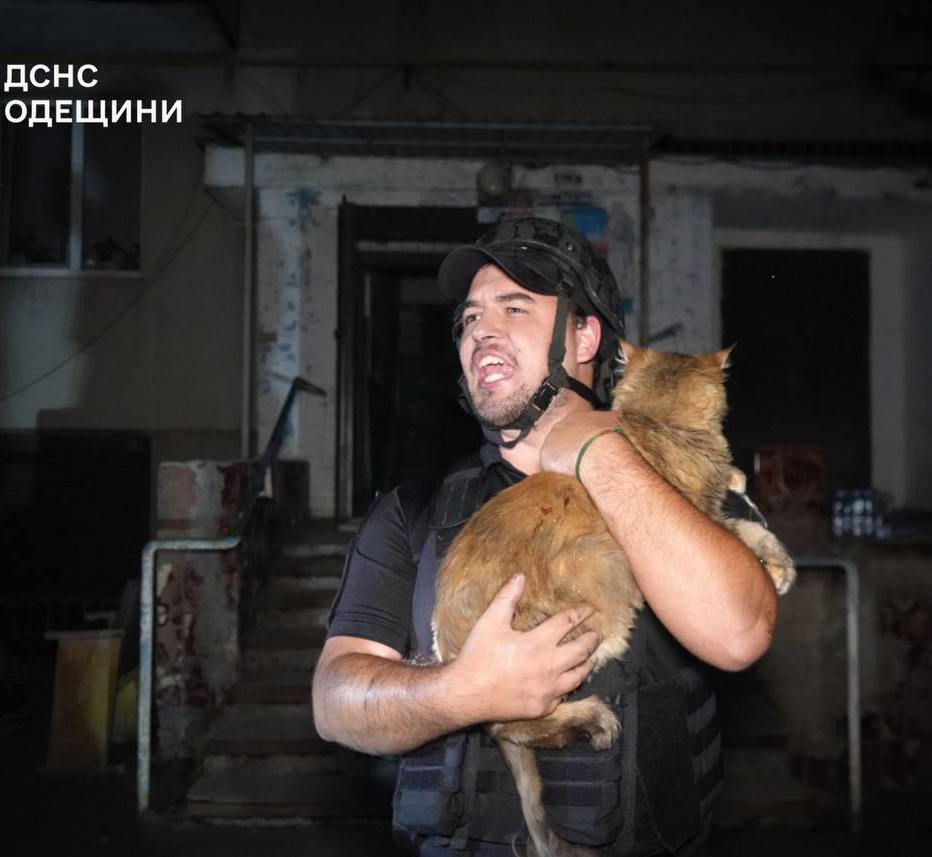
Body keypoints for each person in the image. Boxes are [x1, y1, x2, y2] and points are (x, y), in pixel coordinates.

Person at [313, 216, 779, 856]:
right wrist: (464, 692)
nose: (481, 330)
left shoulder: (687, 487)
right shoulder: (413, 512)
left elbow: (740, 634)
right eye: (469, 318)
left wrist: (598, 452)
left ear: (584, 336)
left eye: (514, 307)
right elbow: (335, 702)